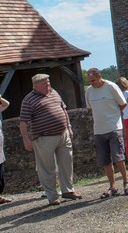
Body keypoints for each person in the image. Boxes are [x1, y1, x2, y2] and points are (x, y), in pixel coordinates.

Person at [19, 73, 80, 205]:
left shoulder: (54, 93)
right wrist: (26, 140)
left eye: (48, 82)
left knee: (66, 163)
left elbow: (63, 110)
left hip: (63, 134)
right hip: (43, 138)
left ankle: (68, 190)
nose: (48, 85)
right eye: (45, 83)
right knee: (47, 168)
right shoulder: (28, 100)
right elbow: (23, 122)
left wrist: (69, 127)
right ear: (36, 86)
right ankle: (52, 196)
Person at [84, 68, 128, 197]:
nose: (91, 83)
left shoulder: (111, 87)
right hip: (98, 130)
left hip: (114, 127)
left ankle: (126, 182)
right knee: (105, 160)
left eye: (93, 80)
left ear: (99, 76)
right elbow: (90, 109)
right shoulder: (89, 91)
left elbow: (123, 104)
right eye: (89, 81)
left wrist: (114, 116)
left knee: (118, 158)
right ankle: (113, 186)